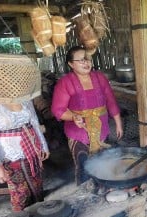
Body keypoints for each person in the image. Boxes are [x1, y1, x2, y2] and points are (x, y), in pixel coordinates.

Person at [51, 46, 123, 186]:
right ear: (71, 64)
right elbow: (58, 109)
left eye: (87, 59)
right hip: (79, 133)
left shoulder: (100, 78)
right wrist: (73, 117)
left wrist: (118, 122)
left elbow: (110, 100)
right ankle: (85, 194)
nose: (86, 63)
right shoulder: (65, 82)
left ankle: (104, 189)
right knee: (84, 166)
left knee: (102, 163)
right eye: (81, 60)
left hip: (101, 129)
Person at [0, 100, 50, 211]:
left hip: (32, 149)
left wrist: (44, 146)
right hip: (9, 156)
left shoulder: (24, 98)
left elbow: (34, 122)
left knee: (37, 186)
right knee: (21, 193)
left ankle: (41, 216)